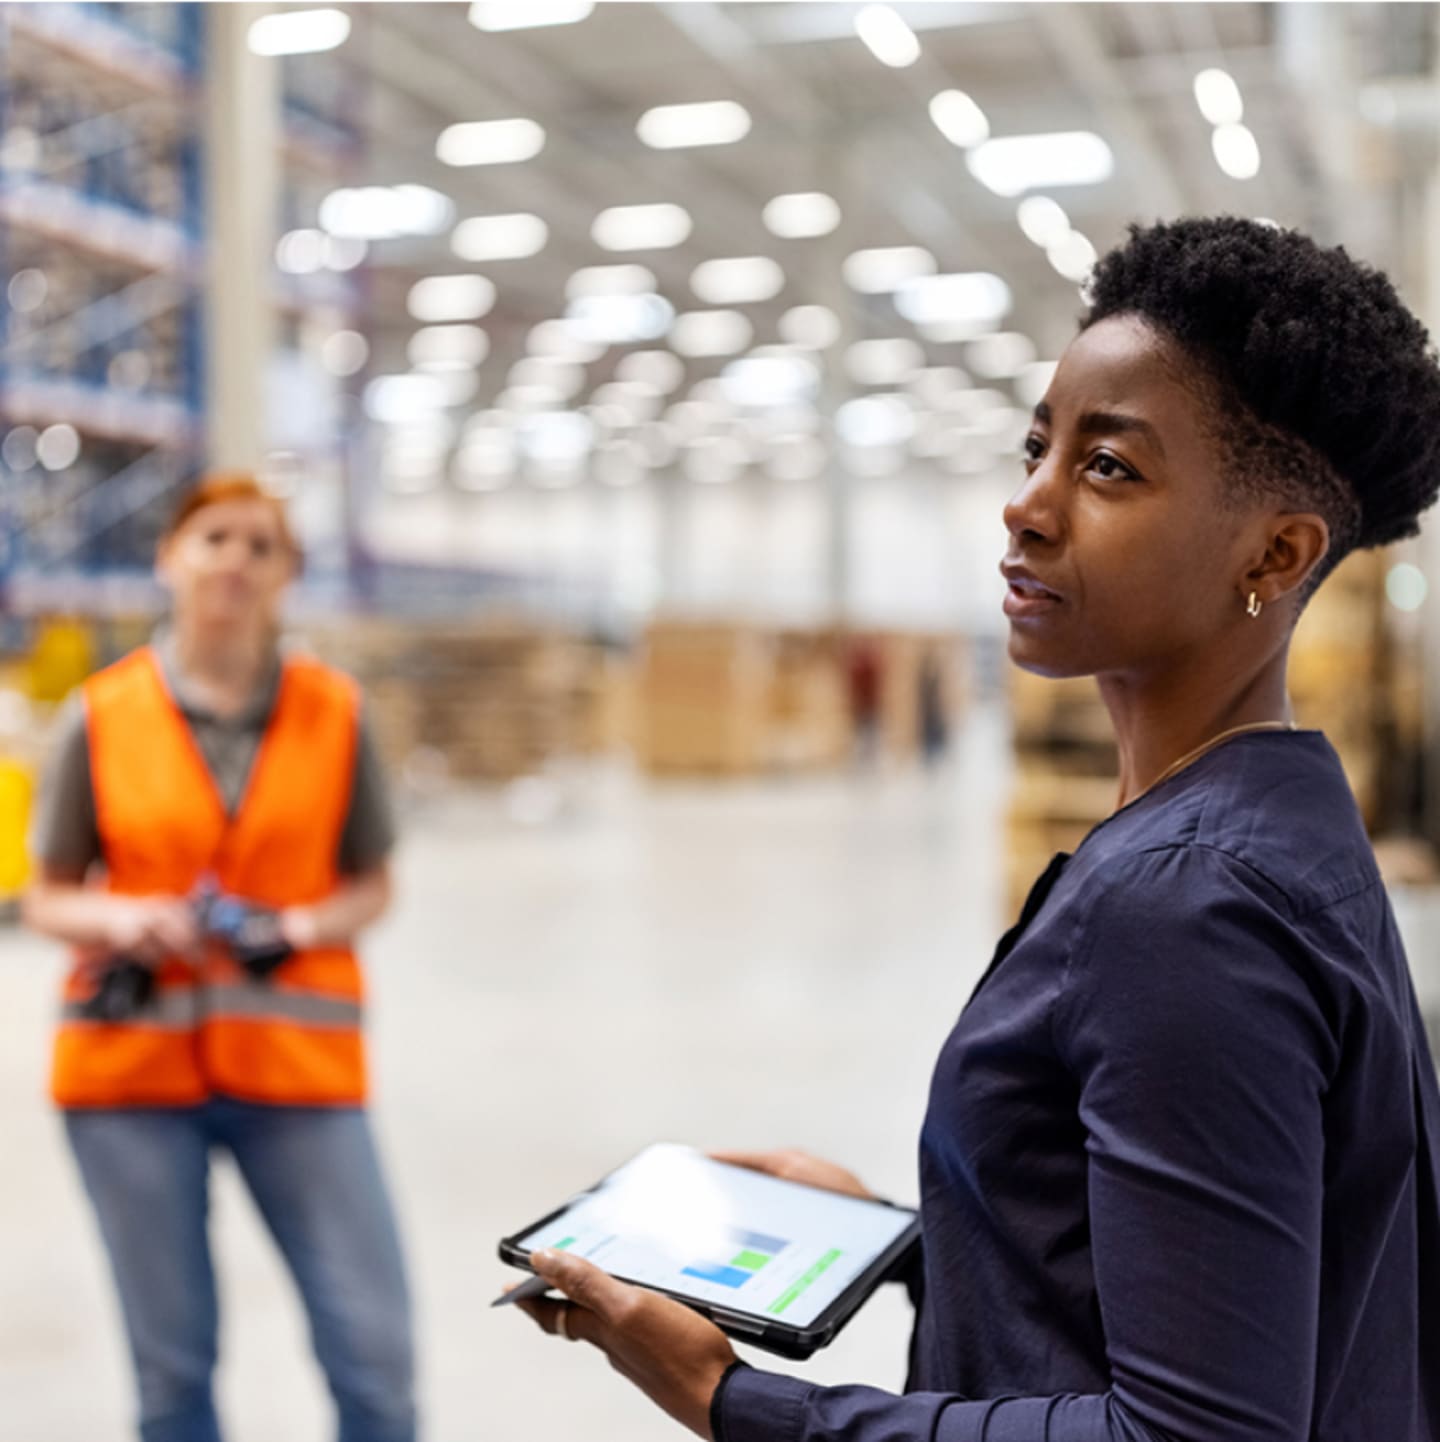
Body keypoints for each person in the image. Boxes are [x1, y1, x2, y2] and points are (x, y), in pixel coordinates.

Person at [513, 218, 1440, 1441]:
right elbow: (1218, 1290)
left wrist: (731, 1395)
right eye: (1036, 447)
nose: (1027, 506)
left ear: (1274, 552)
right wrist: (930, 1235)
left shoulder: (1189, 904)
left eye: (1108, 468)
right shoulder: (1279, 816)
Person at [23, 474, 416, 1442]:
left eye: (260, 544)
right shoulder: (101, 713)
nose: (235, 560)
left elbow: (373, 881)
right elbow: (45, 893)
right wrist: (122, 919)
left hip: (300, 1070)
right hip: (129, 1081)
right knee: (173, 1376)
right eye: (214, 539)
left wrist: (301, 928)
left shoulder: (335, 710)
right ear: (170, 558)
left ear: (288, 573)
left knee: (375, 1359)